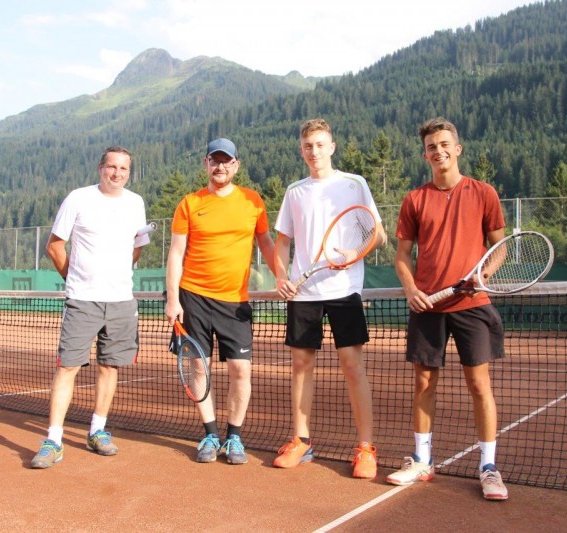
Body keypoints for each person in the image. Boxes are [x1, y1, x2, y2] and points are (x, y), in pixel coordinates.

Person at [389, 117, 509, 500]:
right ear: (425, 155)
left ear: (457, 149)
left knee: (479, 385)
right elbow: (402, 255)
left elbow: (500, 248)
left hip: (473, 305)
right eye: (431, 147)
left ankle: (488, 467)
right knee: (423, 384)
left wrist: (483, 275)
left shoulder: (484, 193)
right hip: (428, 307)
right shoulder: (415, 199)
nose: (438, 151)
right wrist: (412, 290)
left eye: (444, 144)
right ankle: (422, 460)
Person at [272, 118, 386, 479]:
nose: (314, 151)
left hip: (344, 290)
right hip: (304, 293)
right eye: (308, 146)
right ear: (301, 150)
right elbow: (282, 243)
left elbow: (379, 235)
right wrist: (281, 277)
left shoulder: (355, 184)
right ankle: (301, 441)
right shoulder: (295, 191)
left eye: (320, 145)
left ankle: (365, 447)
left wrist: (354, 253)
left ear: (332, 147)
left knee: (352, 367)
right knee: (301, 366)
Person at [31, 146, 150, 469]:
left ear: (129, 173)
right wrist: (73, 277)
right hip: (83, 300)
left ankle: (97, 431)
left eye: (123, 168)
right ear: (101, 168)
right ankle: (54, 440)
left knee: (110, 366)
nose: (117, 173)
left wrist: (119, 273)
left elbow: (137, 246)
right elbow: (55, 245)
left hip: (121, 300)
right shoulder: (78, 198)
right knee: (67, 367)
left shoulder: (135, 203)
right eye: (112, 167)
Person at [164, 137, 276, 465]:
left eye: (227, 161)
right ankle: (211, 434)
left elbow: (267, 244)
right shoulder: (189, 203)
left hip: (235, 303)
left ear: (236, 165)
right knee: (200, 366)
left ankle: (234, 437)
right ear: (206, 164)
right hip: (193, 297)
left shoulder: (253, 201)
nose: (220, 166)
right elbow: (176, 253)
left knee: (241, 370)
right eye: (215, 160)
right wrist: (173, 299)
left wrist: (282, 276)